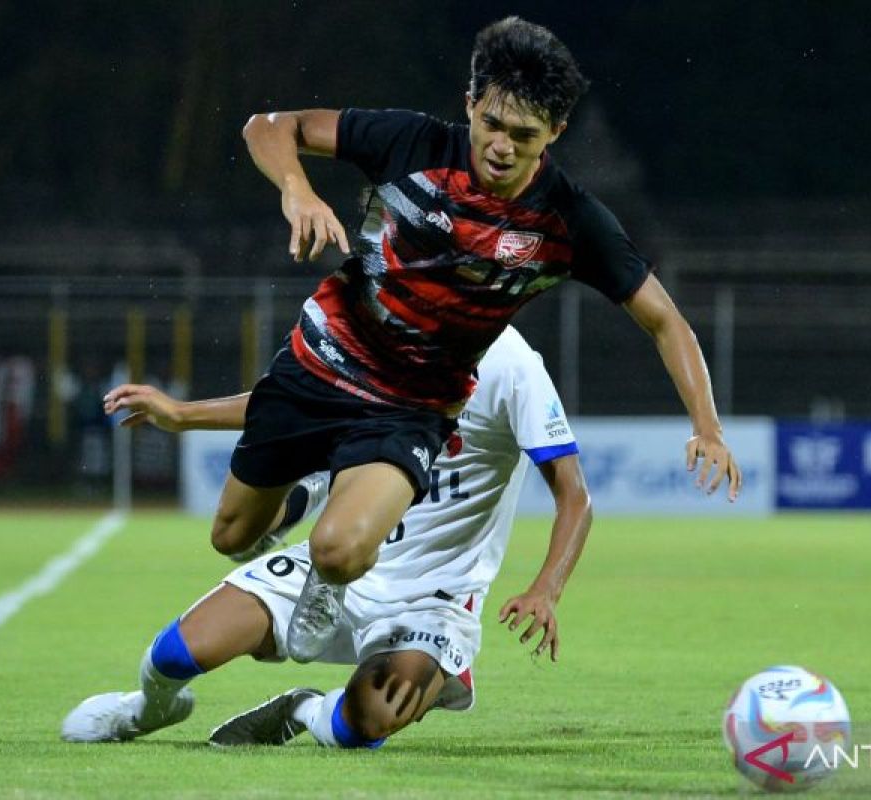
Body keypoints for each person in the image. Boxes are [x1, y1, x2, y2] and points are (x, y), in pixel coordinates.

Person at [219, 16, 741, 663]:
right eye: (491, 123)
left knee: (340, 552)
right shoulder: (411, 142)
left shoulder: (570, 221)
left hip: (414, 405)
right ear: (470, 105)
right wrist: (295, 187)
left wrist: (708, 427)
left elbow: (666, 321)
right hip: (321, 363)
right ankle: (305, 495)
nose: (500, 145)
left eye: (523, 135)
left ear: (555, 132)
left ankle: (328, 577)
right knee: (231, 535)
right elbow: (270, 125)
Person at [62, 327, 592, 749]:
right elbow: (290, 400)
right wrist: (182, 414)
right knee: (177, 655)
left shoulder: (514, 365)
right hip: (332, 568)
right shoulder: (383, 336)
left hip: (432, 600)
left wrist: (547, 588)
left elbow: (575, 498)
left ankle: (303, 709)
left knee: (367, 721)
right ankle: (144, 710)